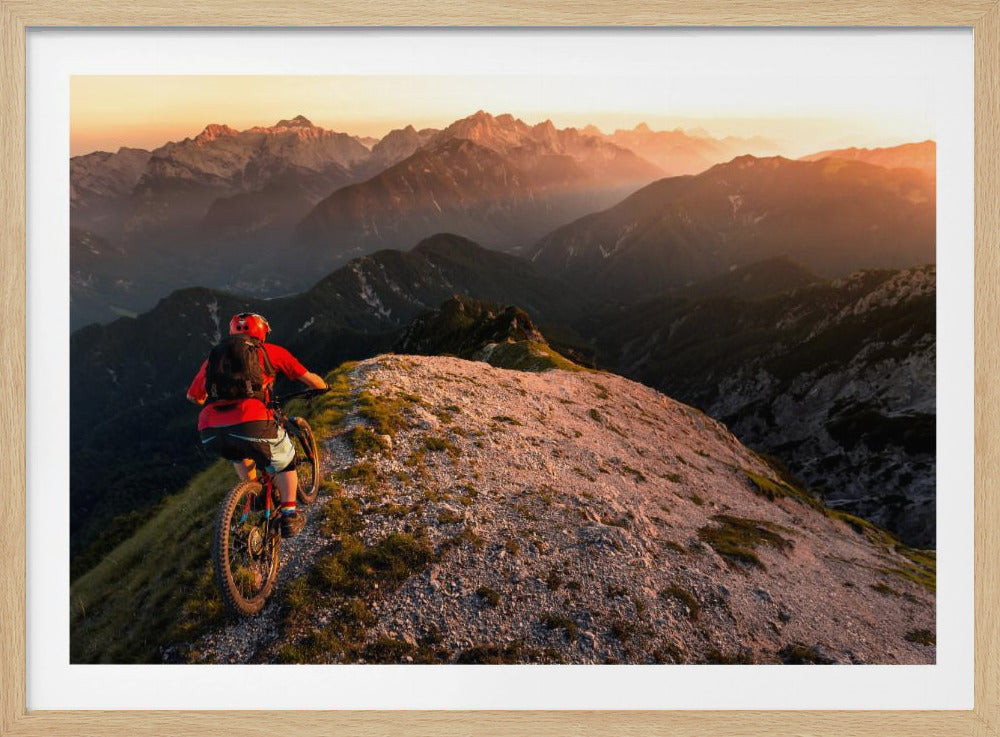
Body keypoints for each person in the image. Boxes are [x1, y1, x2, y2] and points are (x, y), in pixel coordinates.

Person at [186, 312, 327, 538]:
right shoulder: (271, 352)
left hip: (211, 430)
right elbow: (310, 379)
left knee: (239, 452)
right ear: (262, 333)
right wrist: (324, 387)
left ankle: (255, 494)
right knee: (285, 463)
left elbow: (194, 397)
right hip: (253, 421)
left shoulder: (214, 359)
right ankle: (290, 515)